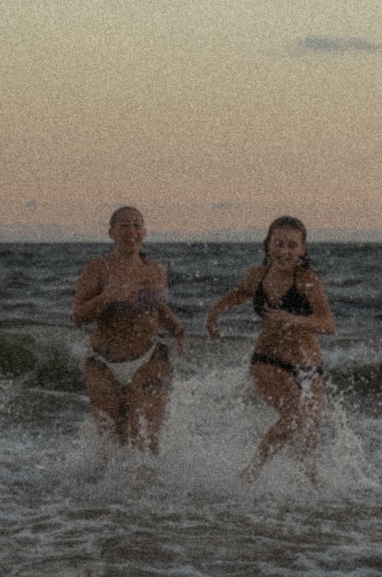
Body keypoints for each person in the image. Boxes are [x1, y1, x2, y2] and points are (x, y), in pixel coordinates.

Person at [205, 215, 334, 484]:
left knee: (309, 439)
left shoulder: (307, 280)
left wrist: (294, 320)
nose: (284, 251)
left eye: (291, 245)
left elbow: (327, 324)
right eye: (278, 244)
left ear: (302, 249)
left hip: (308, 365)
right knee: (294, 417)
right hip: (267, 358)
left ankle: (309, 490)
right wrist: (215, 312)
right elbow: (241, 292)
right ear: (267, 244)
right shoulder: (258, 274)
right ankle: (250, 473)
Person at [72, 206, 187, 452]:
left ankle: (149, 479)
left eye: (137, 225)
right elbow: (78, 317)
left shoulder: (156, 270)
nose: (131, 231)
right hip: (104, 363)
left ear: (144, 231)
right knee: (112, 443)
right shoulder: (98, 268)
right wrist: (109, 296)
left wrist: (177, 328)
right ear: (111, 232)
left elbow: (158, 308)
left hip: (149, 358)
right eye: (124, 225)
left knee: (146, 440)